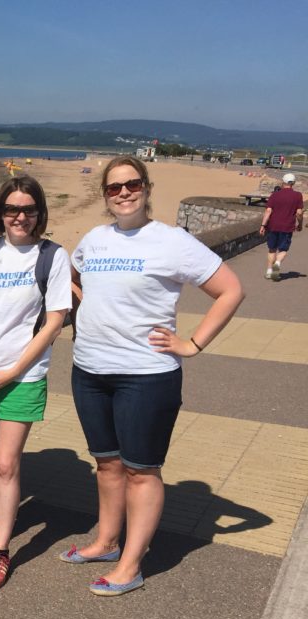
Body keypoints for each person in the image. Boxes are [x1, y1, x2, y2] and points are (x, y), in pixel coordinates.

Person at [63, 156, 244, 596]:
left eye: (131, 184)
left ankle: (131, 563)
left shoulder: (172, 241)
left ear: (146, 187)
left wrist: (193, 343)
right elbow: (70, 277)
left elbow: (230, 289)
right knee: (106, 463)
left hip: (145, 376)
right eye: (114, 188)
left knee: (141, 470)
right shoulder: (94, 239)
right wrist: (90, 313)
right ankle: (106, 541)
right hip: (89, 370)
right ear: (104, 196)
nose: (123, 193)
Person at [0, 176, 71, 589]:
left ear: (40, 212)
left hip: (22, 376)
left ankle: (2, 548)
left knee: (7, 462)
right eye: (11, 210)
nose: (20, 217)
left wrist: (13, 370)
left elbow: (55, 321)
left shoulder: (52, 257)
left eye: (28, 210)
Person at [260, 173, 304, 281]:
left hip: (273, 226)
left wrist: (263, 225)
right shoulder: (298, 195)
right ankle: (278, 263)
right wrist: (300, 224)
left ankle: (269, 272)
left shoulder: (274, 195)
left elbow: (268, 211)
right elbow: (299, 213)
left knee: (272, 249)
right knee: (283, 249)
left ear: (283, 182)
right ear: (293, 183)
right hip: (287, 227)